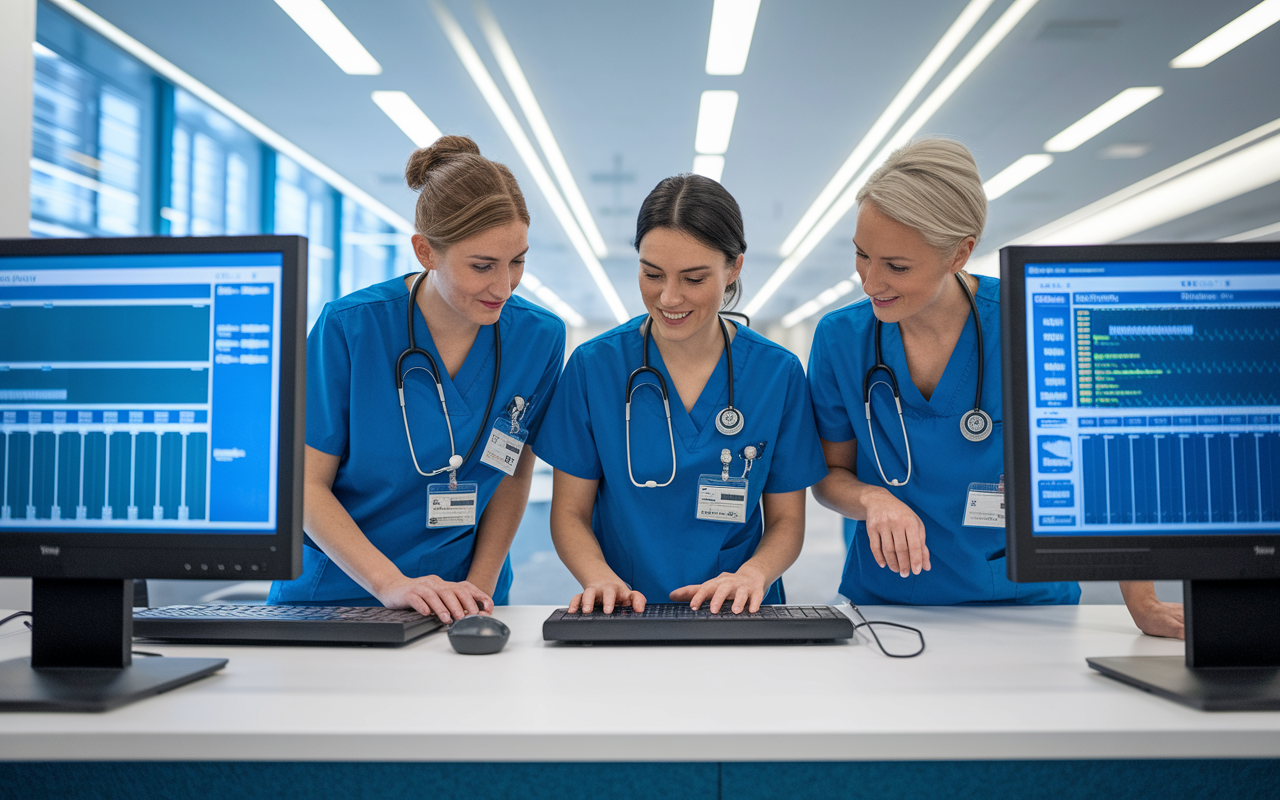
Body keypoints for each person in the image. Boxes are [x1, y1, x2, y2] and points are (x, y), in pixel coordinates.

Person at [807, 138, 1185, 638]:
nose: (870, 281)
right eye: (861, 256)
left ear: (959, 253)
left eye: (897, 266)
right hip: (891, 604)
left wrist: (1144, 601)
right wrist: (872, 500)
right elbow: (830, 474)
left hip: (1030, 604)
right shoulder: (842, 338)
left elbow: (1110, 467)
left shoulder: (1036, 319)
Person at [268, 136, 565, 622]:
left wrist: (478, 588)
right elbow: (304, 486)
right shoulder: (351, 328)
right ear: (426, 251)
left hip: (466, 599)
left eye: (518, 261)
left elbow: (513, 473)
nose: (504, 286)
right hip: (336, 598)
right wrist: (392, 584)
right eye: (482, 265)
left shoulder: (538, 337)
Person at [537, 174, 828, 615]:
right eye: (652, 274)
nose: (668, 297)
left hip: (739, 611)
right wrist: (597, 576)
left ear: (734, 268)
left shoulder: (777, 374)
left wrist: (755, 574)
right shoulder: (594, 368)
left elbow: (787, 521)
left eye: (693, 278)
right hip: (626, 609)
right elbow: (570, 514)